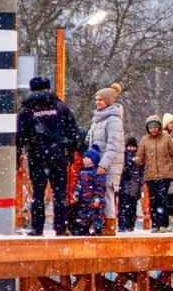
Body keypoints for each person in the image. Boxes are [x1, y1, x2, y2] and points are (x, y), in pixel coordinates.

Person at [16, 76, 82, 236]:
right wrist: (70, 153)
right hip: (58, 154)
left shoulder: (27, 110)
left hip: (37, 155)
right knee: (59, 192)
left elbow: (20, 137)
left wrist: (18, 156)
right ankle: (60, 227)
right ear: (48, 88)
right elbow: (74, 133)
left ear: (32, 89)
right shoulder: (60, 107)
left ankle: (37, 228)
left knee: (38, 193)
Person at [86, 82, 125, 236]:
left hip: (108, 163)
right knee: (98, 193)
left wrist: (104, 164)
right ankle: (99, 224)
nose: (97, 102)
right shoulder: (98, 119)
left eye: (100, 100)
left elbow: (113, 145)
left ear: (108, 101)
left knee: (108, 192)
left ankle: (109, 225)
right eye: (96, 100)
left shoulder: (113, 120)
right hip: (97, 162)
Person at [137, 114, 173, 232]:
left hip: (165, 174)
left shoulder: (166, 137)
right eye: (151, 128)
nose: (153, 130)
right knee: (153, 200)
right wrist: (136, 161)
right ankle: (155, 224)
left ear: (160, 127)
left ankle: (164, 224)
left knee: (162, 198)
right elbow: (140, 156)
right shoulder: (144, 140)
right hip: (150, 175)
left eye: (156, 127)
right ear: (147, 129)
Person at [69, 145, 107, 236]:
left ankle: (98, 229)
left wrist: (98, 197)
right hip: (84, 200)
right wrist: (76, 195)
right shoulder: (82, 172)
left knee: (96, 215)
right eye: (84, 157)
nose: (85, 159)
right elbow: (79, 186)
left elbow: (100, 187)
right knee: (83, 215)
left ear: (93, 161)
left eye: (88, 158)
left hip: (94, 199)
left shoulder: (97, 173)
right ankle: (84, 229)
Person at [118, 136, 143, 232]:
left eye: (133, 147)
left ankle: (130, 225)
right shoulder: (122, 156)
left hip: (134, 185)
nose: (131, 149)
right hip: (124, 184)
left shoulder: (138, 157)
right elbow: (121, 169)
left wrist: (140, 181)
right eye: (129, 147)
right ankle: (122, 225)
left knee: (132, 207)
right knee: (122, 206)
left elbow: (142, 171)